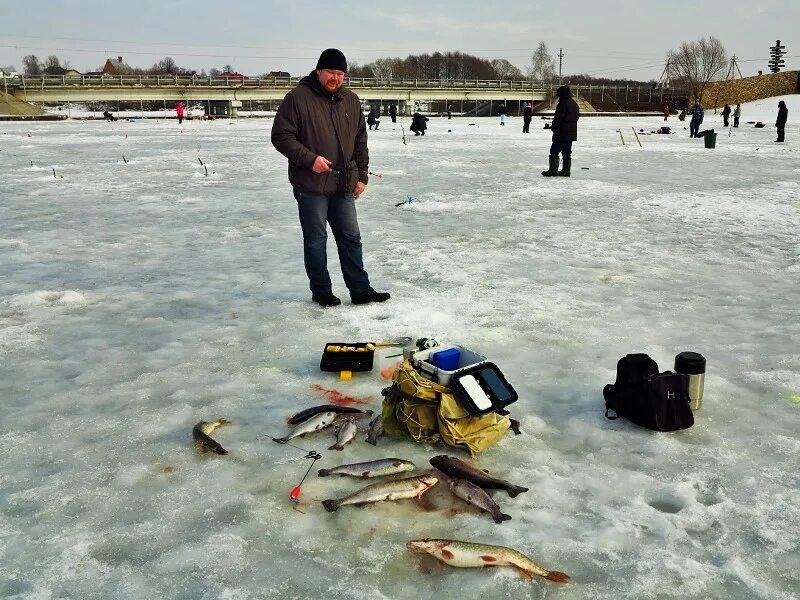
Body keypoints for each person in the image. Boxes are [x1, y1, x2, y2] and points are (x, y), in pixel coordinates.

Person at [271, 48, 390, 307]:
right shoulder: (297, 98)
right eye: (330, 73)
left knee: (351, 238)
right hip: (311, 184)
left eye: (339, 73)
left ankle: (360, 290)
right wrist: (309, 159)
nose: (335, 78)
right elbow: (281, 137)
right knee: (316, 240)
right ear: (318, 71)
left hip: (344, 183)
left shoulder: (350, 99)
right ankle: (322, 291)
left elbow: (360, 141)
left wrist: (363, 176)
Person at [541, 85, 579, 177]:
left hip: (561, 133)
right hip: (571, 133)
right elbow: (577, 117)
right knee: (567, 152)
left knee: (554, 151)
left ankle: (553, 170)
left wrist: (554, 128)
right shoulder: (574, 104)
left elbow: (558, 119)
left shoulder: (562, 104)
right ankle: (566, 171)